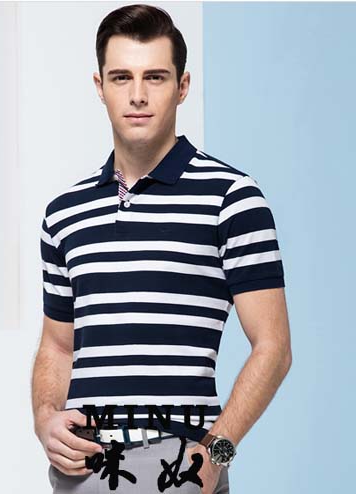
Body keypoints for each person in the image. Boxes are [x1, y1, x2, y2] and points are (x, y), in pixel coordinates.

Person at [31, 4, 292, 494]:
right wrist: (46, 418)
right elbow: (57, 345)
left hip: (179, 462)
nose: (137, 95)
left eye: (154, 77)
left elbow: (274, 348)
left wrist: (215, 454)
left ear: (182, 86)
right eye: (121, 77)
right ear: (99, 86)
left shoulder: (231, 198)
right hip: (81, 468)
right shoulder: (64, 213)